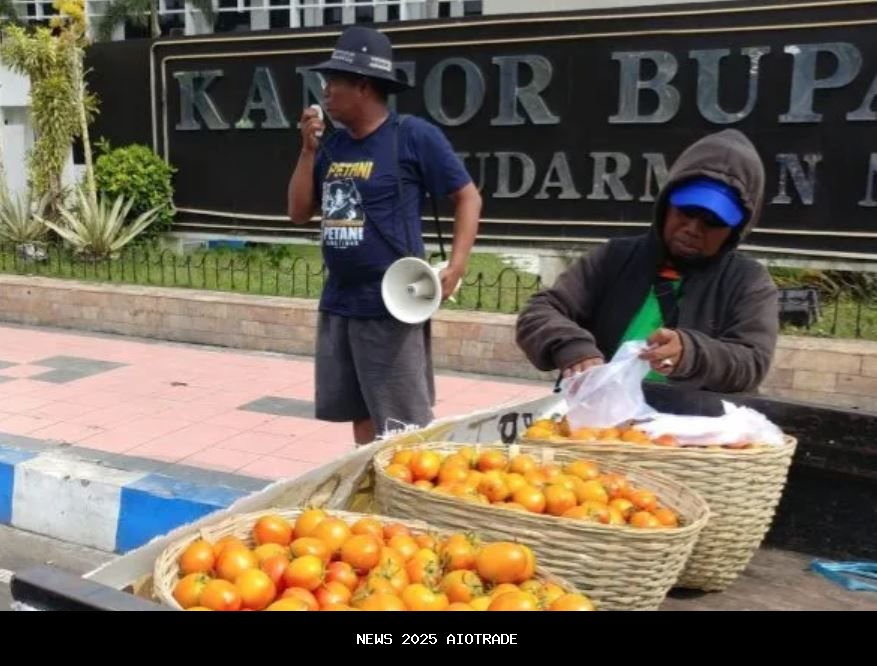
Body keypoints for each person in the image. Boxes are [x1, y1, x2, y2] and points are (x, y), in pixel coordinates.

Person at [288, 26, 482, 444]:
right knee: (360, 417)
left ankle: (405, 498)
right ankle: (371, 493)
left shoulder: (411, 136)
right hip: (341, 301)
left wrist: (458, 264)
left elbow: (467, 196)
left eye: (334, 82)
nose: (325, 92)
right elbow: (299, 212)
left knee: (402, 425)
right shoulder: (333, 146)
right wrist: (308, 151)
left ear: (362, 85)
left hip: (391, 304)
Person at [516, 129, 778, 393]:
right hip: (596, 423)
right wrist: (573, 349)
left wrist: (691, 353)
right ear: (665, 206)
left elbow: (751, 361)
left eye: (713, 221)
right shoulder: (614, 257)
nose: (693, 228)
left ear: (735, 230)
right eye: (686, 211)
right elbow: (540, 311)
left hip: (696, 425)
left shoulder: (749, 282)